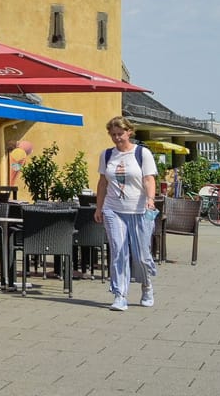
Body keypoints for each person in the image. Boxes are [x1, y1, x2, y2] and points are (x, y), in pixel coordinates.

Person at [96, 116, 157, 311]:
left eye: (120, 134)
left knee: (141, 255)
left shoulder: (142, 153)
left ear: (129, 132)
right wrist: (99, 208)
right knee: (118, 251)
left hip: (139, 210)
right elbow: (103, 182)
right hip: (113, 209)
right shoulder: (107, 155)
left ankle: (146, 286)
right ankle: (119, 294)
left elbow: (149, 179)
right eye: (113, 135)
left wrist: (150, 199)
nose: (116, 138)